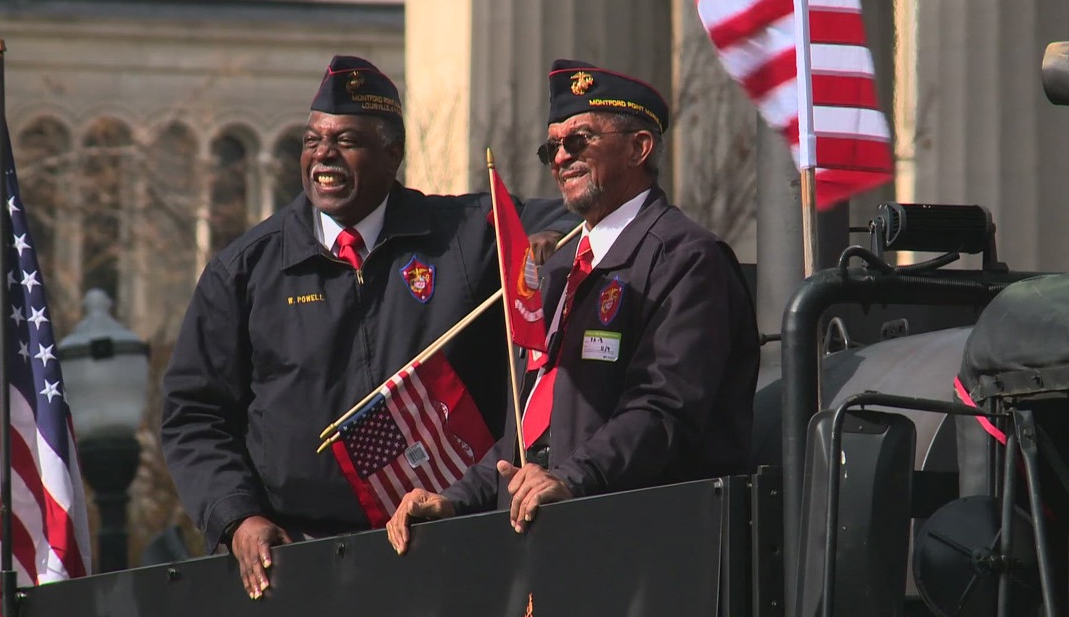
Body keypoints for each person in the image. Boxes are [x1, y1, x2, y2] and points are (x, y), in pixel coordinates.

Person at [160, 55, 572, 599]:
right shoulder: (245, 270)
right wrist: (237, 519)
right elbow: (194, 414)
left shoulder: (463, 235)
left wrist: (544, 244)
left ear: (392, 153)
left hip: (452, 542)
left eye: (345, 140)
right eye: (312, 140)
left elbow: (575, 217)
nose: (322, 155)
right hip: (305, 559)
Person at [387, 59, 760, 554]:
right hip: (545, 542)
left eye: (579, 139)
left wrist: (571, 479)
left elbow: (663, 410)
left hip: (643, 545)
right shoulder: (559, 266)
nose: (560, 157)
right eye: (553, 146)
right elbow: (526, 436)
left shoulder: (686, 257)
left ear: (638, 147)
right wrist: (453, 500)